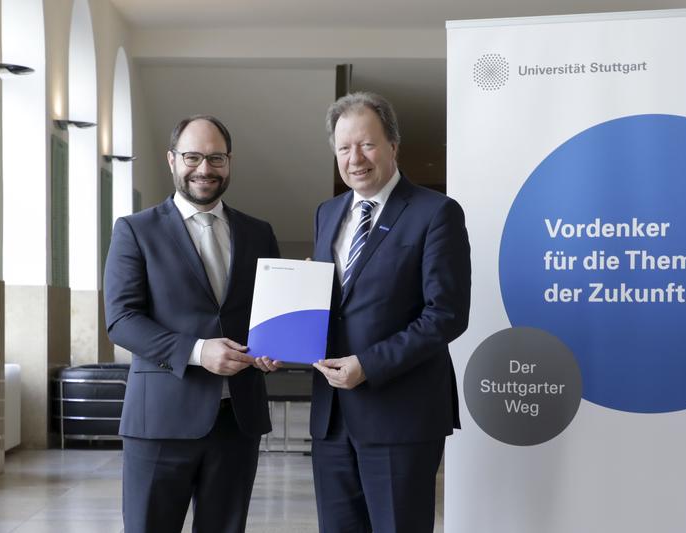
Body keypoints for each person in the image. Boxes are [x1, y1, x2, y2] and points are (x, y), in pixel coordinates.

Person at [104, 114, 281, 533]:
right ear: (172, 160)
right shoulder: (135, 230)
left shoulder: (259, 233)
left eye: (216, 158)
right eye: (193, 156)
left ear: (230, 162)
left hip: (237, 421)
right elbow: (122, 320)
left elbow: (268, 314)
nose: (205, 169)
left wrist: (276, 348)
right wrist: (199, 351)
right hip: (160, 420)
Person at [310, 92, 472, 533]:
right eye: (344, 148)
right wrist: (282, 342)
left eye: (366, 144)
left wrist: (368, 365)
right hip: (332, 418)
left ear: (393, 146)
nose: (355, 158)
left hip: (401, 415)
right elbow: (330, 306)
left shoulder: (435, 212)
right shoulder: (327, 214)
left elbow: (447, 314)